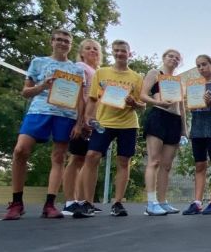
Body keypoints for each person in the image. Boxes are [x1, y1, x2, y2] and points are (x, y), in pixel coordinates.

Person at [3, 29, 85, 220]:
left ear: (71, 45)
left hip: (65, 115)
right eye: (59, 40)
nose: (62, 43)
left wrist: (79, 123)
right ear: (52, 42)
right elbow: (25, 92)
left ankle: (50, 204)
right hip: (39, 111)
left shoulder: (76, 70)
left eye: (66, 41)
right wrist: (42, 86)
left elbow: (80, 98)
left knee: (59, 157)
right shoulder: (38, 62)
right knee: (20, 150)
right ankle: (16, 202)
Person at [80, 39, 145, 217]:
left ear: (129, 53)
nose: (119, 53)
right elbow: (92, 98)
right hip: (104, 122)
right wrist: (87, 118)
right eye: (116, 50)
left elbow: (142, 105)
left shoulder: (136, 77)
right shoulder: (101, 73)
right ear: (112, 52)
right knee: (91, 156)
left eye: (123, 51)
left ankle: (117, 202)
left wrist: (133, 103)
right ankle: (88, 202)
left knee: (124, 161)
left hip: (128, 124)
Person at [181, 55, 211, 215]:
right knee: (199, 165)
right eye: (198, 66)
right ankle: (197, 202)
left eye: (204, 64)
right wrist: (190, 104)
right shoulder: (194, 85)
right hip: (197, 127)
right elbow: (191, 107)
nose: (201, 68)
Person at [140, 49, 186, 216]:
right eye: (170, 56)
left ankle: (162, 201)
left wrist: (184, 130)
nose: (173, 59)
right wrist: (158, 103)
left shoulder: (178, 81)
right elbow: (143, 95)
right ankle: (151, 203)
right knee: (154, 161)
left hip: (174, 121)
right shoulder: (155, 73)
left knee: (166, 165)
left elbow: (181, 107)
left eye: (177, 58)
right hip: (158, 116)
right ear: (164, 58)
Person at [61, 38, 102, 218]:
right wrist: (81, 120)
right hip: (81, 118)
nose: (92, 51)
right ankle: (70, 201)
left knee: (89, 160)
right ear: (81, 52)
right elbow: (78, 94)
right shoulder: (79, 67)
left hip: (96, 121)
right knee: (76, 158)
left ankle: (83, 200)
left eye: (95, 48)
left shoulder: (99, 72)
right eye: (88, 48)